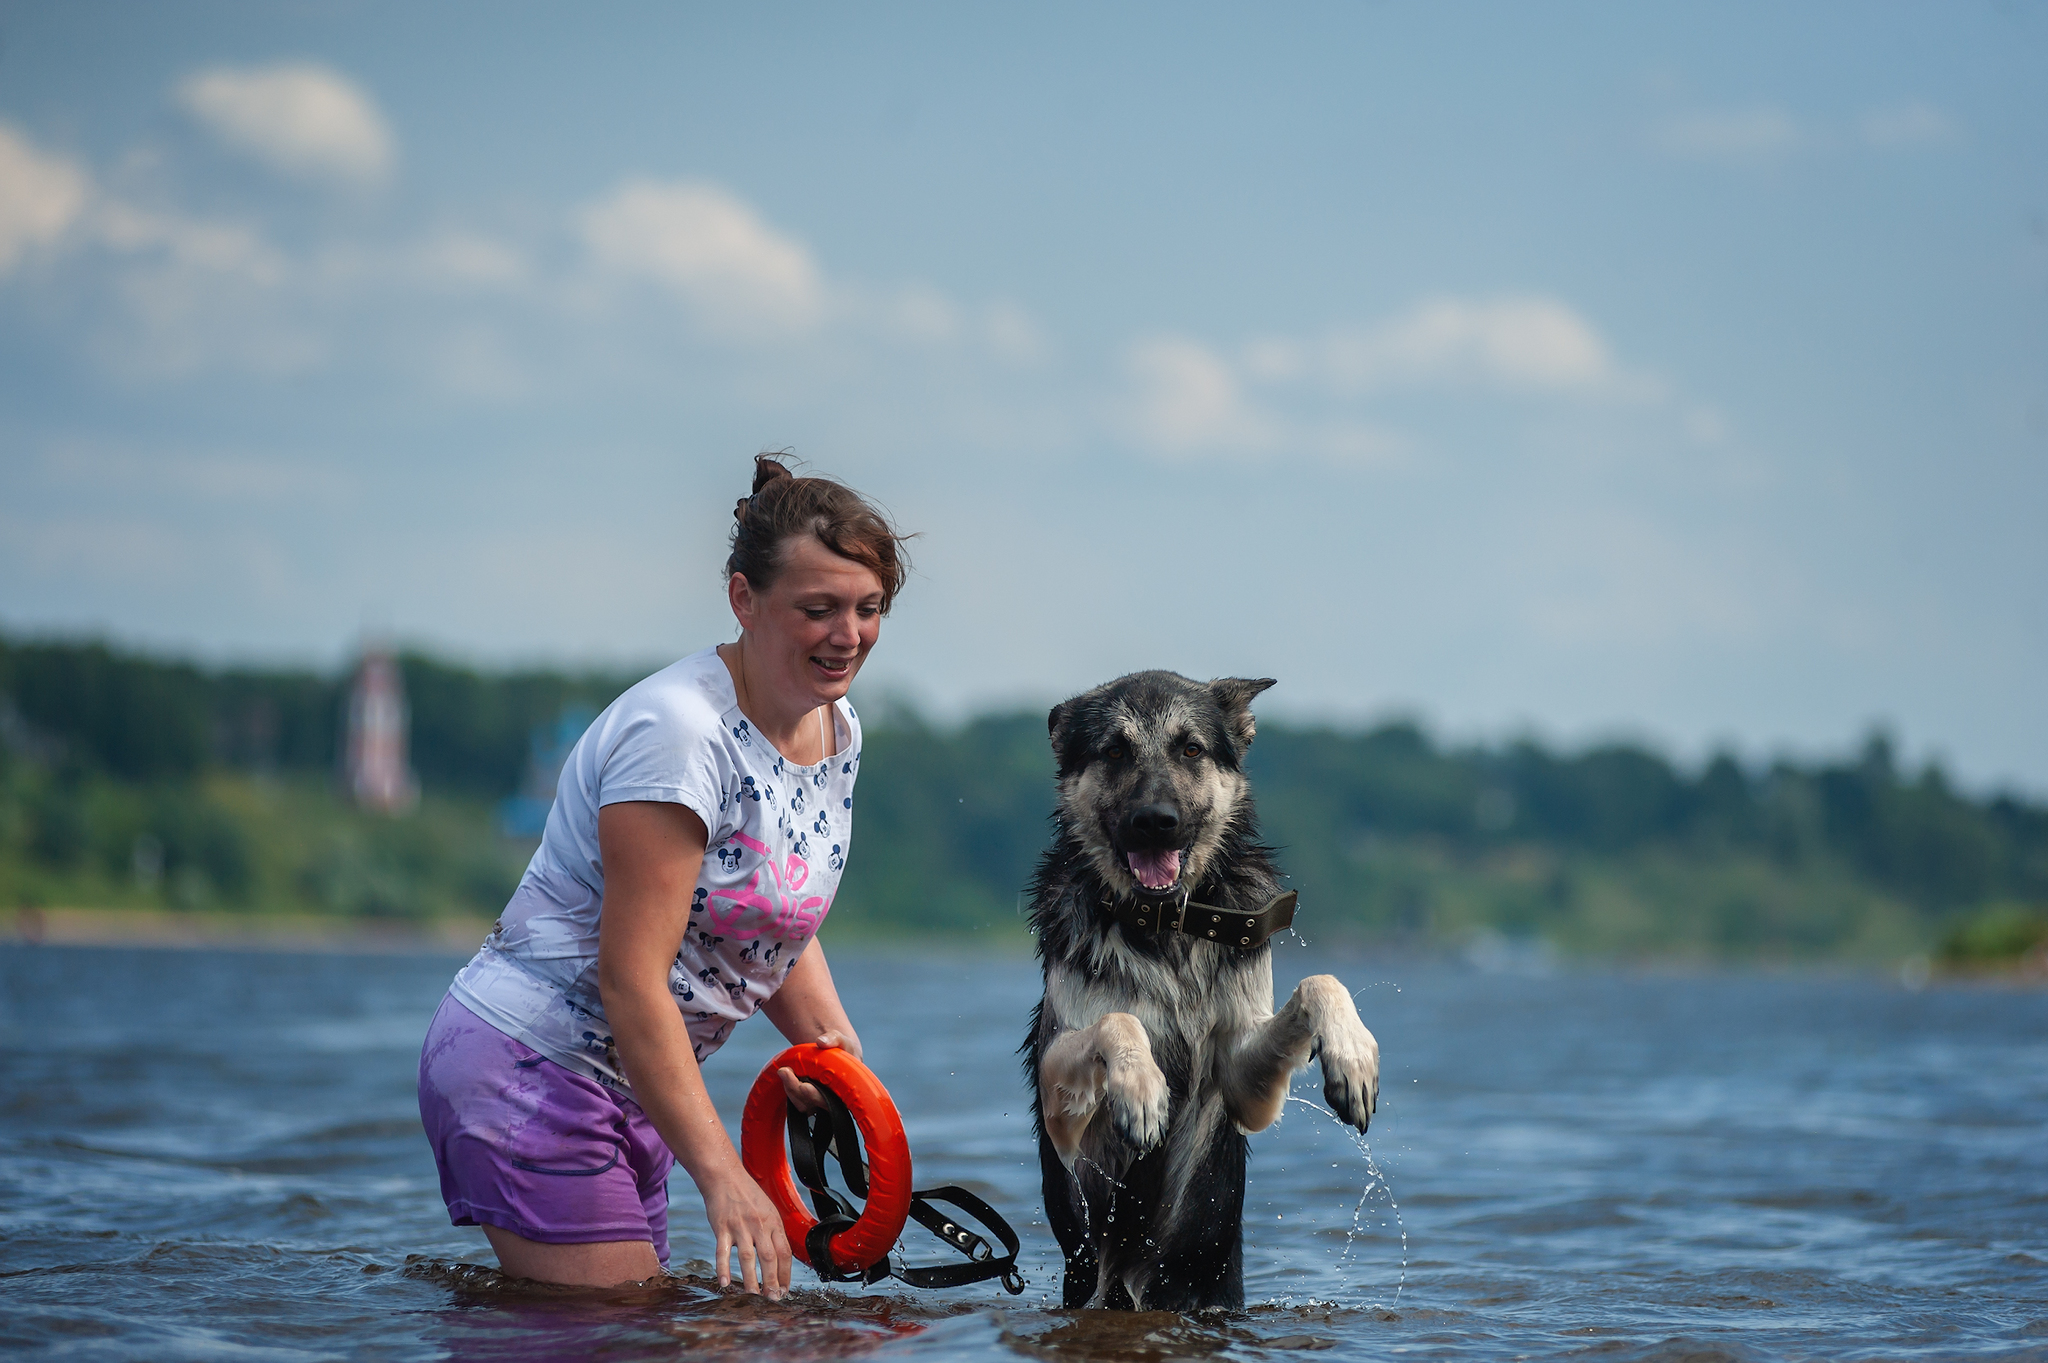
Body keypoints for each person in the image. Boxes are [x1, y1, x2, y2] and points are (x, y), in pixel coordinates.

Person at [418, 455, 910, 1297]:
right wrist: (725, 1175)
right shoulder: (679, 736)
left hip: (641, 1083)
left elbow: (772, 909)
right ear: (743, 599)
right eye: (818, 608)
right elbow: (630, 977)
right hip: (533, 1065)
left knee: (640, 1327)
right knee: (631, 1332)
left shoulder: (838, 729)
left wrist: (831, 1058)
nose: (848, 633)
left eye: (868, 609)